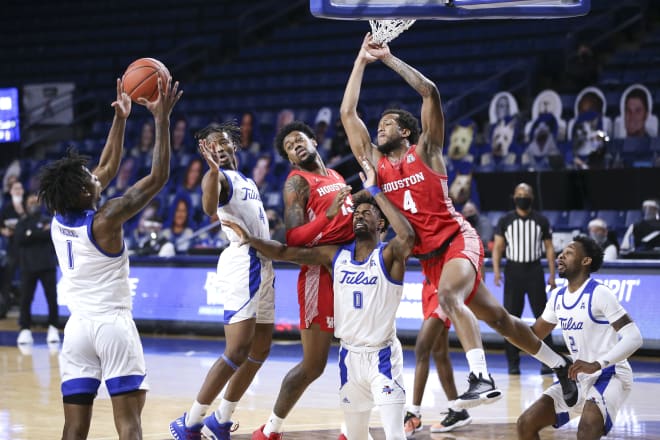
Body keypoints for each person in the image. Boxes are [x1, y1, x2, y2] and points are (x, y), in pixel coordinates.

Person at [340, 33, 576, 410]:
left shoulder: (427, 151)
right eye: (378, 125)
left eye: (387, 124)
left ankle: (480, 377)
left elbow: (430, 92)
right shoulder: (376, 166)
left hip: (457, 240)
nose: (379, 128)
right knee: (500, 320)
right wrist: (360, 61)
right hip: (430, 257)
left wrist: (388, 59)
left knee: (449, 297)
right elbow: (348, 115)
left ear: (405, 131)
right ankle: (559, 364)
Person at [225, 156, 414, 440]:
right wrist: (250, 239)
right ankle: (280, 427)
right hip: (349, 357)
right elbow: (287, 252)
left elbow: (408, 236)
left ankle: (272, 428)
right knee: (354, 435)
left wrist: (375, 192)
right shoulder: (334, 255)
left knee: (394, 435)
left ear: (382, 224)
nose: (359, 215)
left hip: (382, 357)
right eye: (356, 213)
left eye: (367, 213)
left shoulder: (389, 255)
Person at [39, 77, 181, 440]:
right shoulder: (106, 219)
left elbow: (105, 165)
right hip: (112, 327)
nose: (96, 174)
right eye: (91, 178)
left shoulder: (60, 215)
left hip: (77, 331)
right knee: (129, 423)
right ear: (86, 191)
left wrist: (120, 119)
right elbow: (158, 176)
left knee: (73, 426)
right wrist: (161, 120)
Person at [169, 121, 276, 440]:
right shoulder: (216, 178)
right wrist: (212, 171)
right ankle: (190, 423)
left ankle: (222, 419)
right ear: (206, 151)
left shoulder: (246, 180)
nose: (221, 147)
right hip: (243, 262)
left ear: (235, 146)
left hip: (264, 263)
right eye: (213, 144)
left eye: (225, 142)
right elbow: (206, 208)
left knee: (261, 349)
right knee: (238, 349)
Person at [252, 121, 355, 439]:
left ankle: (352, 429)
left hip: (350, 271)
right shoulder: (297, 182)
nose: (294, 145)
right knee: (313, 365)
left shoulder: (336, 176)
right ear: (292, 160)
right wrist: (327, 216)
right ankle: (271, 428)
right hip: (318, 275)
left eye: (298, 140)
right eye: (288, 147)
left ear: (314, 140)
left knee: (358, 353)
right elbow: (294, 237)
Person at [517, 235, 643, 439]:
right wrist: (504, 321)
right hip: (576, 374)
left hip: (610, 373)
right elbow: (533, 337)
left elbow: (634, 338)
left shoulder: (599, 293)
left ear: (586, 261)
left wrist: (597, 364)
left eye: (569, 253)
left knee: (587, 429)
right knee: (526, 424)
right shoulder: (557, 297)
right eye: (562, 252)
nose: (560, 256)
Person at [492, 183, 556, 375]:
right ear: (514, 197)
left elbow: (550, 249)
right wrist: (496, 271)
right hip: (513, 271)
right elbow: (497, 248)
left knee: (543, 317)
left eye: (525, 194)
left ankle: (548, 361)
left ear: (531, 197)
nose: (522, 197)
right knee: (510, 319)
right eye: (519, 194)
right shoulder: (505, 220)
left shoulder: (541, 220)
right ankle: (513, 363)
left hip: (534, 271)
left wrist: (552, 275)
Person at [14, 192, 59, 345]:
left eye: (36, 200)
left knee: (52, 299)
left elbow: (51, 235)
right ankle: (25, 329)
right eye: (31, 200)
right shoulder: (22, 222)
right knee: (25, 300)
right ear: (26, 204)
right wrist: (40, 233)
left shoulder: (48, 220)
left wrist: (31, 234)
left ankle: (53, 327)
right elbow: (19, 239)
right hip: (28, 267)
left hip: (47, 265)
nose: (34, 202)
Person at [0, 179, 26, 317]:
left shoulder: (27, 205)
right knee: (7, 280)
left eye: (20, 188)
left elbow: (34, 222)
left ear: (22, 191)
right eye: (15, 189)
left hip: (27, 250)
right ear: (10, 192)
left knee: (27, 280)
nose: (18, 191)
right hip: (12, 248)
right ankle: (3, 310)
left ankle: (26, 311)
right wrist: (4, 231)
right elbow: (1, 225)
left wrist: (22, 212)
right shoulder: (6, 208)